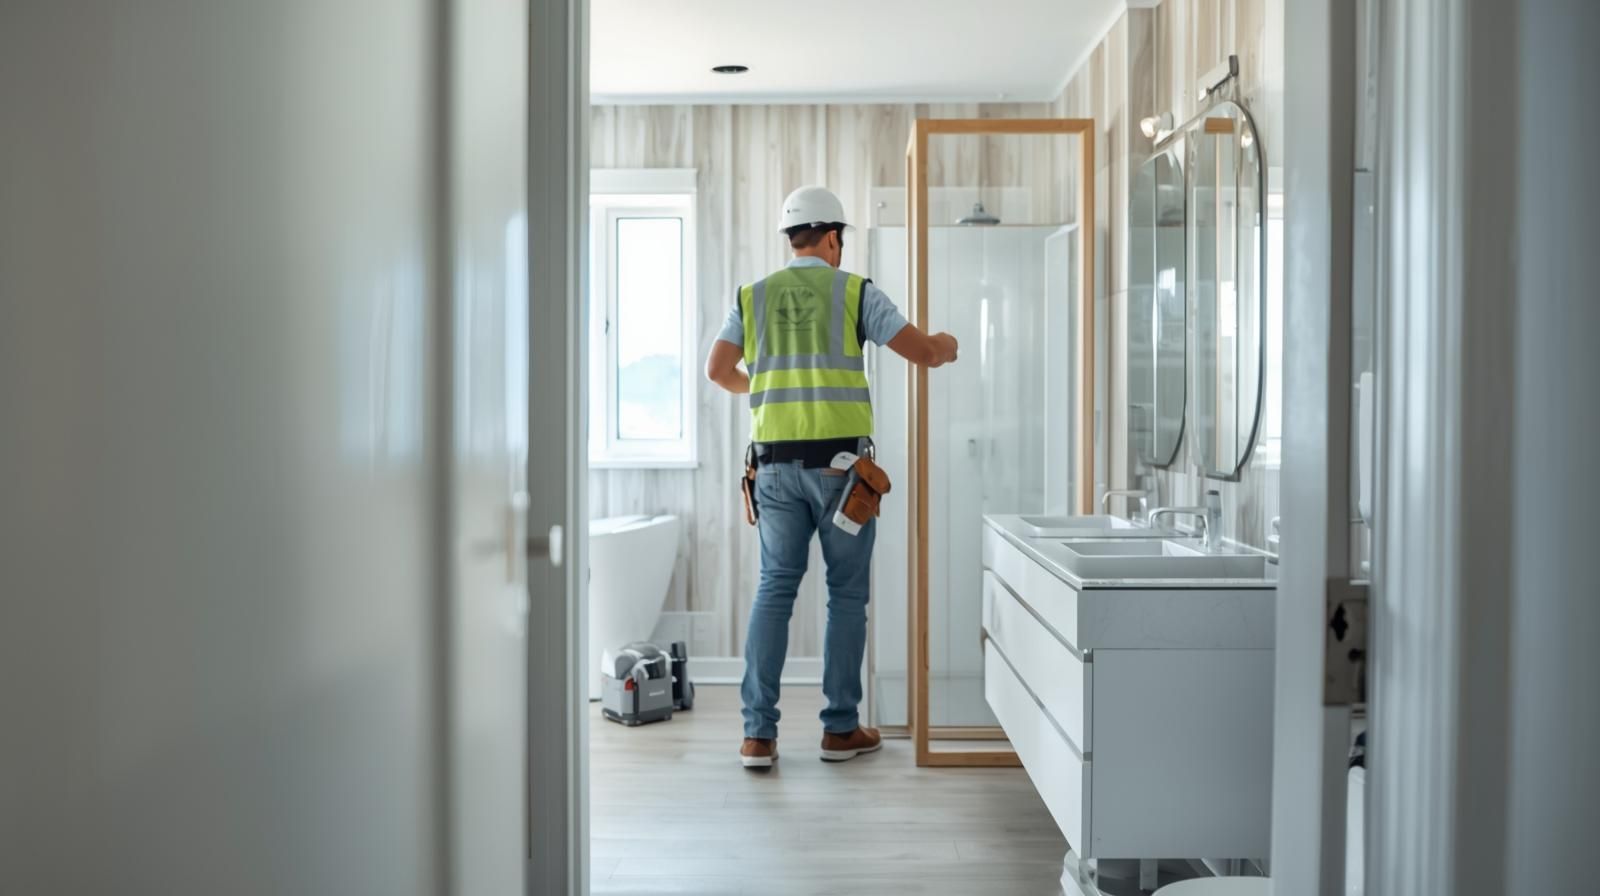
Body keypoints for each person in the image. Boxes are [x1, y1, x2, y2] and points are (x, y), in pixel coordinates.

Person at [705, 185, 960, 769]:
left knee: (775, 589)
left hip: (773, 469)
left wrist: (763, 386)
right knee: (846, 595)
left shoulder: (752, 296)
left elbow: (718, 371)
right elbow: (922, 351)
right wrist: (947, 345)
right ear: (832, 238)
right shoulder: (854, 291)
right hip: (843, 475)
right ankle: (840, 729)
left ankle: (758, 737)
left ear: (791, 239)